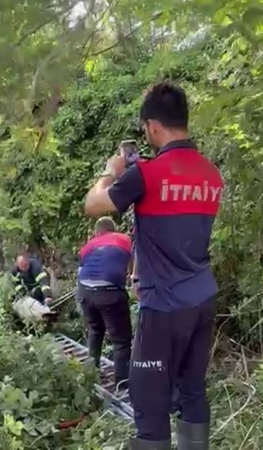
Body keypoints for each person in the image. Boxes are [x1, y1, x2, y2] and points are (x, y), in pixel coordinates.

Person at [83, 82, 223, 450]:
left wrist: (110, 170)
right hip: (202, 299)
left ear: (154, 126)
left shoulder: (145, 174)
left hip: (163, 306)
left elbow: (93, 205)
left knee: (149, 400)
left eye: (145, 128)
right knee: (192, 390)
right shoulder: (212, 174)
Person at [77, 216, 133, 391]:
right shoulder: (124, 240)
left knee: (95, 331)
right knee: (121, 341)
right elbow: (132, 266)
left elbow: (81, 270)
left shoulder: (88, 246)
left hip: (85, 292)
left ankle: (91, 375)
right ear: (113, 229)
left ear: (97, 232)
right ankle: (122, 385)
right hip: (110, 293)